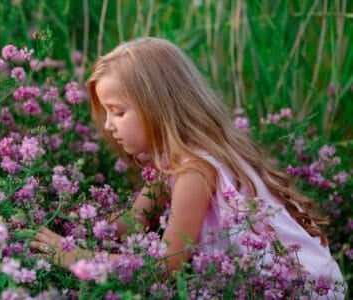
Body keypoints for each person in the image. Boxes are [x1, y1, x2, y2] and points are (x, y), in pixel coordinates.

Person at [31, 37, 344, 294]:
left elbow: (167, 267)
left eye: (118, 112)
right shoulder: (175, 162)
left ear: (157, 108)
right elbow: (133, 221)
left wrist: (77, 257)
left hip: (300, 290)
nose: (110, 126)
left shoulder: (194, 171)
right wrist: (69, 225)